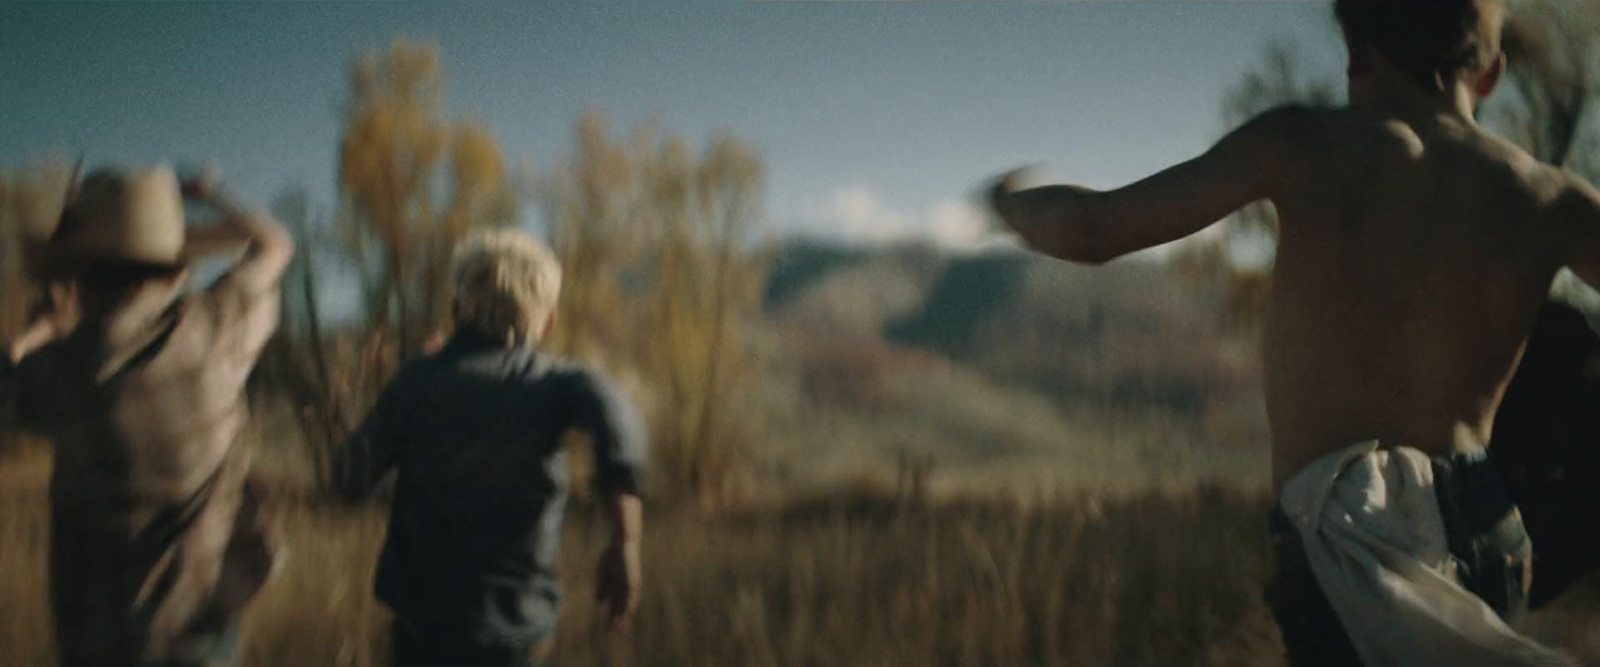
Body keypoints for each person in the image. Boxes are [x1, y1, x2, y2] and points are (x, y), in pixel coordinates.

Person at [987, 1, 1600, 664]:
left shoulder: (1303, 143)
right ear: (1491, 75)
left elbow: (1093, 229)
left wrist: (1010, 204)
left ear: (1355, 54)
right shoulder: (1551, 196)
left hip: (1348, 535)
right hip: (1484, 519)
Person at [0, 164, 293, 666]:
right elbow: (274, 245)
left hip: (96, 645)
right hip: (201, 635)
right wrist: (209, 191)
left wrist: (39, 332)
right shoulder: (214, 329)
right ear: (177, 271)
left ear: (80, 278)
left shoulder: (60, 376)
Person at [339, 228, 646, 667]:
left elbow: (351, 476)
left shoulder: (418, 381)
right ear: (550, 320)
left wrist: (415, 377)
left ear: (455, 309)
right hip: (517, 632)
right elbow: (619, 422)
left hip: (421, 631)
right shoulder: (557, 384)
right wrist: (625, 541)